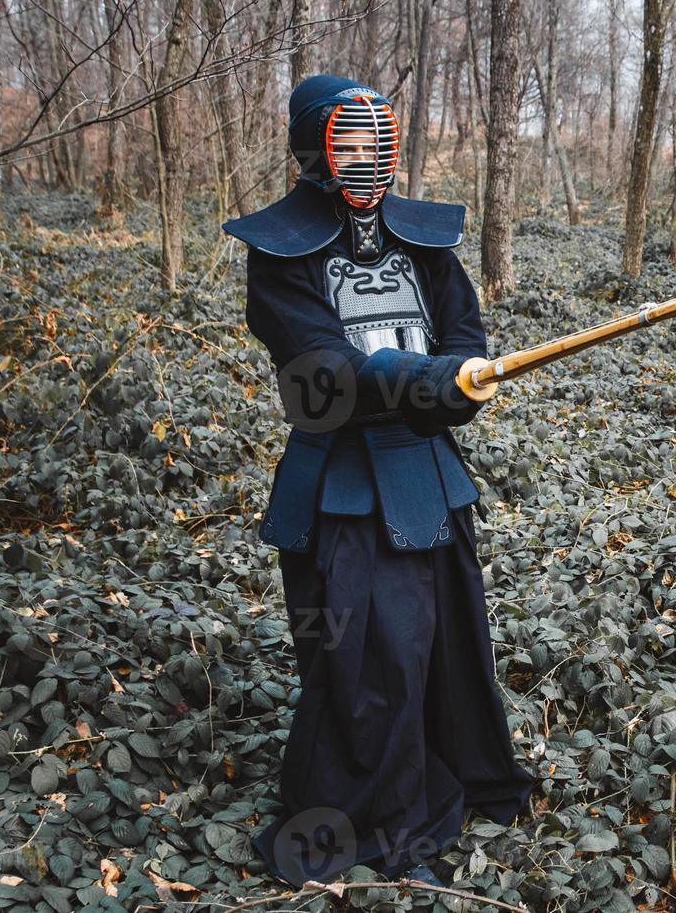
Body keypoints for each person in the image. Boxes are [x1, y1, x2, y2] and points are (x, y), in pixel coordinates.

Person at [223, 73, 536, 889]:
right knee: (369, 654)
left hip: (428, 474)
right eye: (347, 145)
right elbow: (320, 373)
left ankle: (456, 772)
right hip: (342, 485)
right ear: (313, 151)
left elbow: (462, 332)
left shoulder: (425, 242)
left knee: (447, 639)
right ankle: (376, 809)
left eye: (375, 145)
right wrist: (424, 379)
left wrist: (460, 378)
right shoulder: (280, 255)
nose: (365, 161)